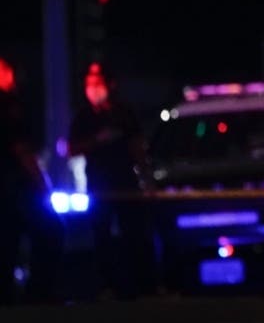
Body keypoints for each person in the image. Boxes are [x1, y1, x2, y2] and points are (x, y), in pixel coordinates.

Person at [68, 62, 154, 299]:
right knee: (101, 238)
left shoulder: (124, 113)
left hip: (125, 184)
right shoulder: (84, 117)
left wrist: (146, 179)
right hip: (99, 188)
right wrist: (98, 141)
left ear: (110, 85)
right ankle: (108, 286)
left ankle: (144, 286)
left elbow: (138, 148)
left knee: (135, 235)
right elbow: (72, 148)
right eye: (89, 85)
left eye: (97, 84)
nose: (92, 89)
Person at [0, 56, 63, 304]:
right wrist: (42, 183)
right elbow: (22, 150)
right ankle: (38, 292)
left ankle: (10, 296)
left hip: (9, 190)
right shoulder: (8, 107)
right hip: (18, 189)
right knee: (51, 231)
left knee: (8, 242)